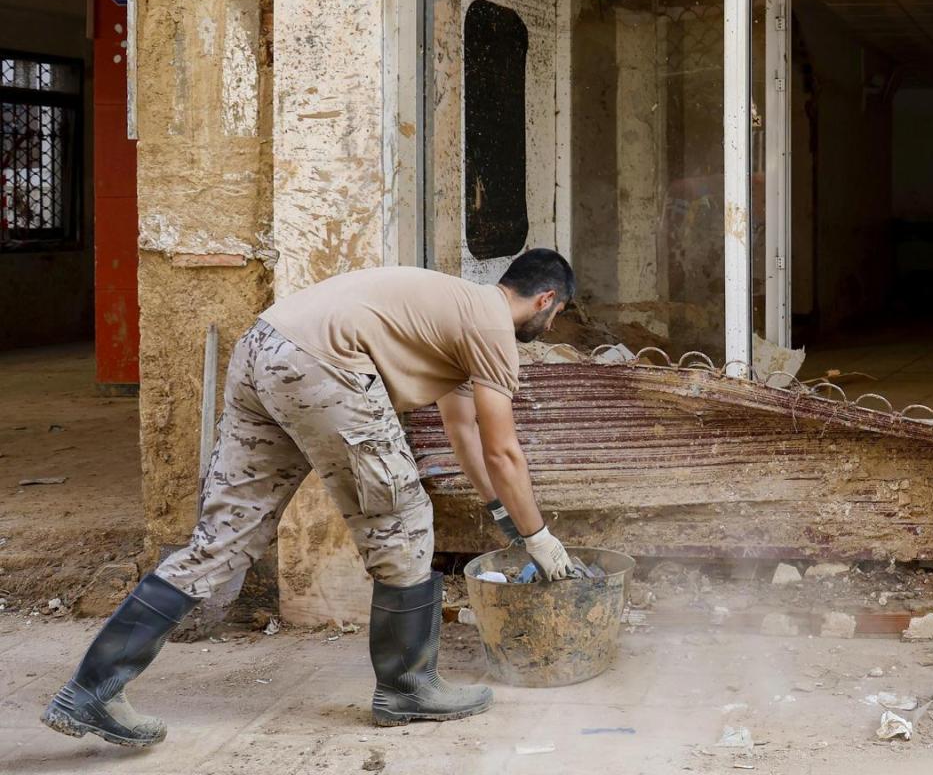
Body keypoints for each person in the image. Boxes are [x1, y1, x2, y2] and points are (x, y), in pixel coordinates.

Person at [42, 250, 582, 747]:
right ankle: (408, 689)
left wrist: (504, 518)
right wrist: (540, 537)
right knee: (402, 520)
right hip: (322, 366)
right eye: (556, 315)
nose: (551, 325)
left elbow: (464, 435)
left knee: (223, 539)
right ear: (545, 300)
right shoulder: (491, 327)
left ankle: (90, 690)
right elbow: (503, 451)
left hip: (263, 350)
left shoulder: (455, 310)